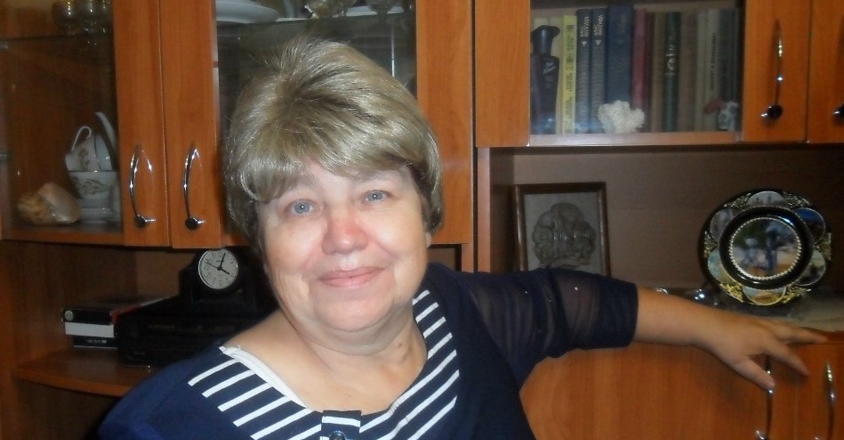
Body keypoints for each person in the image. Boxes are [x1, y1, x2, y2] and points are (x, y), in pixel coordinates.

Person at [99, 36, 824, 440]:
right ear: (258, 239)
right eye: (300, 206)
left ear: (426, 211)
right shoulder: (169, 428)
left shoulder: (455, 314)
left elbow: (567, 301)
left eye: (375, 193)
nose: (344, 237)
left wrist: (714, 324)